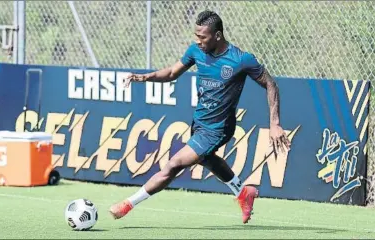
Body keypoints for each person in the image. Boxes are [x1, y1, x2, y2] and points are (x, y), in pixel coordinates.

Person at [109, 10, 291, 224]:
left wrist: (275, 122)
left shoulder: (241, 59)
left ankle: (128, 204)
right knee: (207, 159)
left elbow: (270, 83)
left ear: (217, 35)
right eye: (196, 36)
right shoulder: (196, 51)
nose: (198, 41)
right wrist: (143, 77)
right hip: (199, 122)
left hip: (218, 128)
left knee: (174, 165)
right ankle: (243, 193)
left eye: (203, 37)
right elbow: (170, 73)